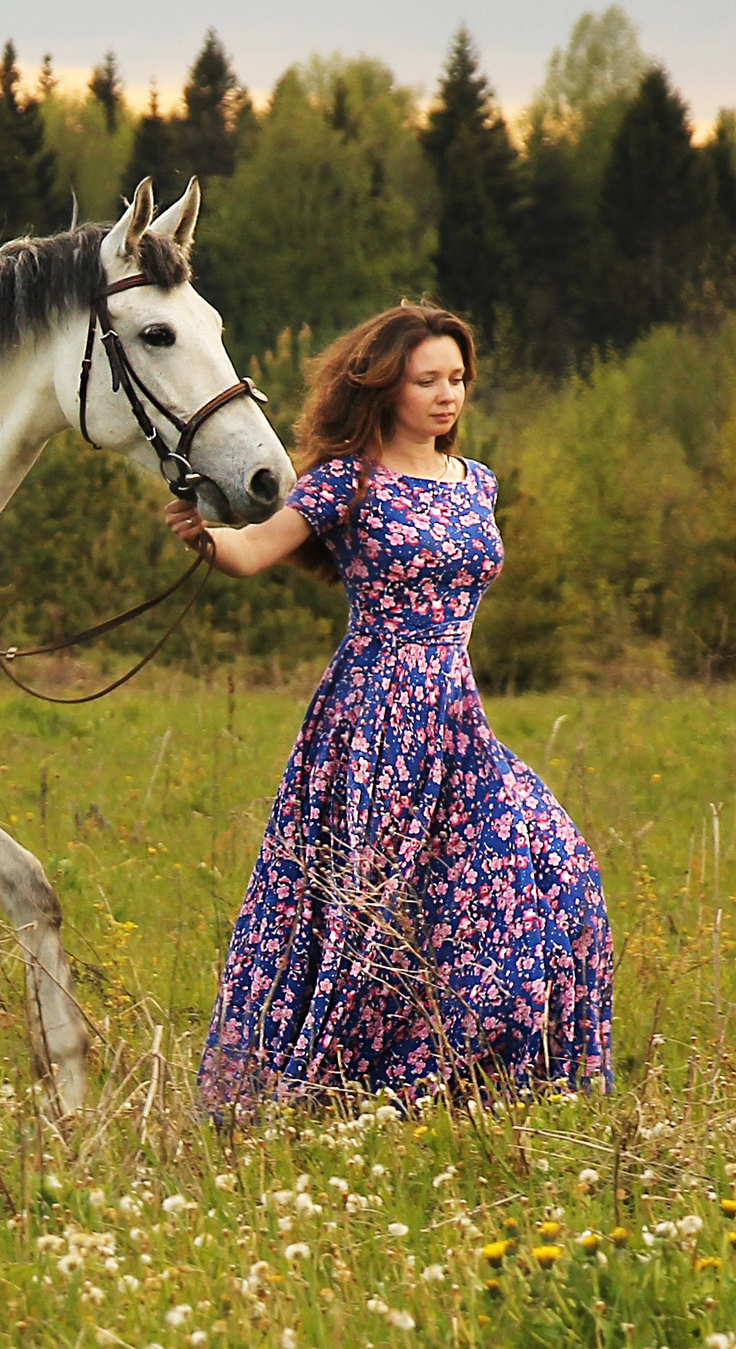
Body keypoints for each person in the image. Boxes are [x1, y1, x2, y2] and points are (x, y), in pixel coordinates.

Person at [167, 303, 612, 1111]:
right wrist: (204, 538)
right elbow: (253, 549)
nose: (448, 396)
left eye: (457, 379)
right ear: (384, 387)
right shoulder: (347, 482)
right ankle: (346, 1086)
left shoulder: (477, 482)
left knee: (557, 869)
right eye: (427, 380)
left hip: (458, 716)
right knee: (372, 908)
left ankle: (489, 1078)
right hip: (376, 717)